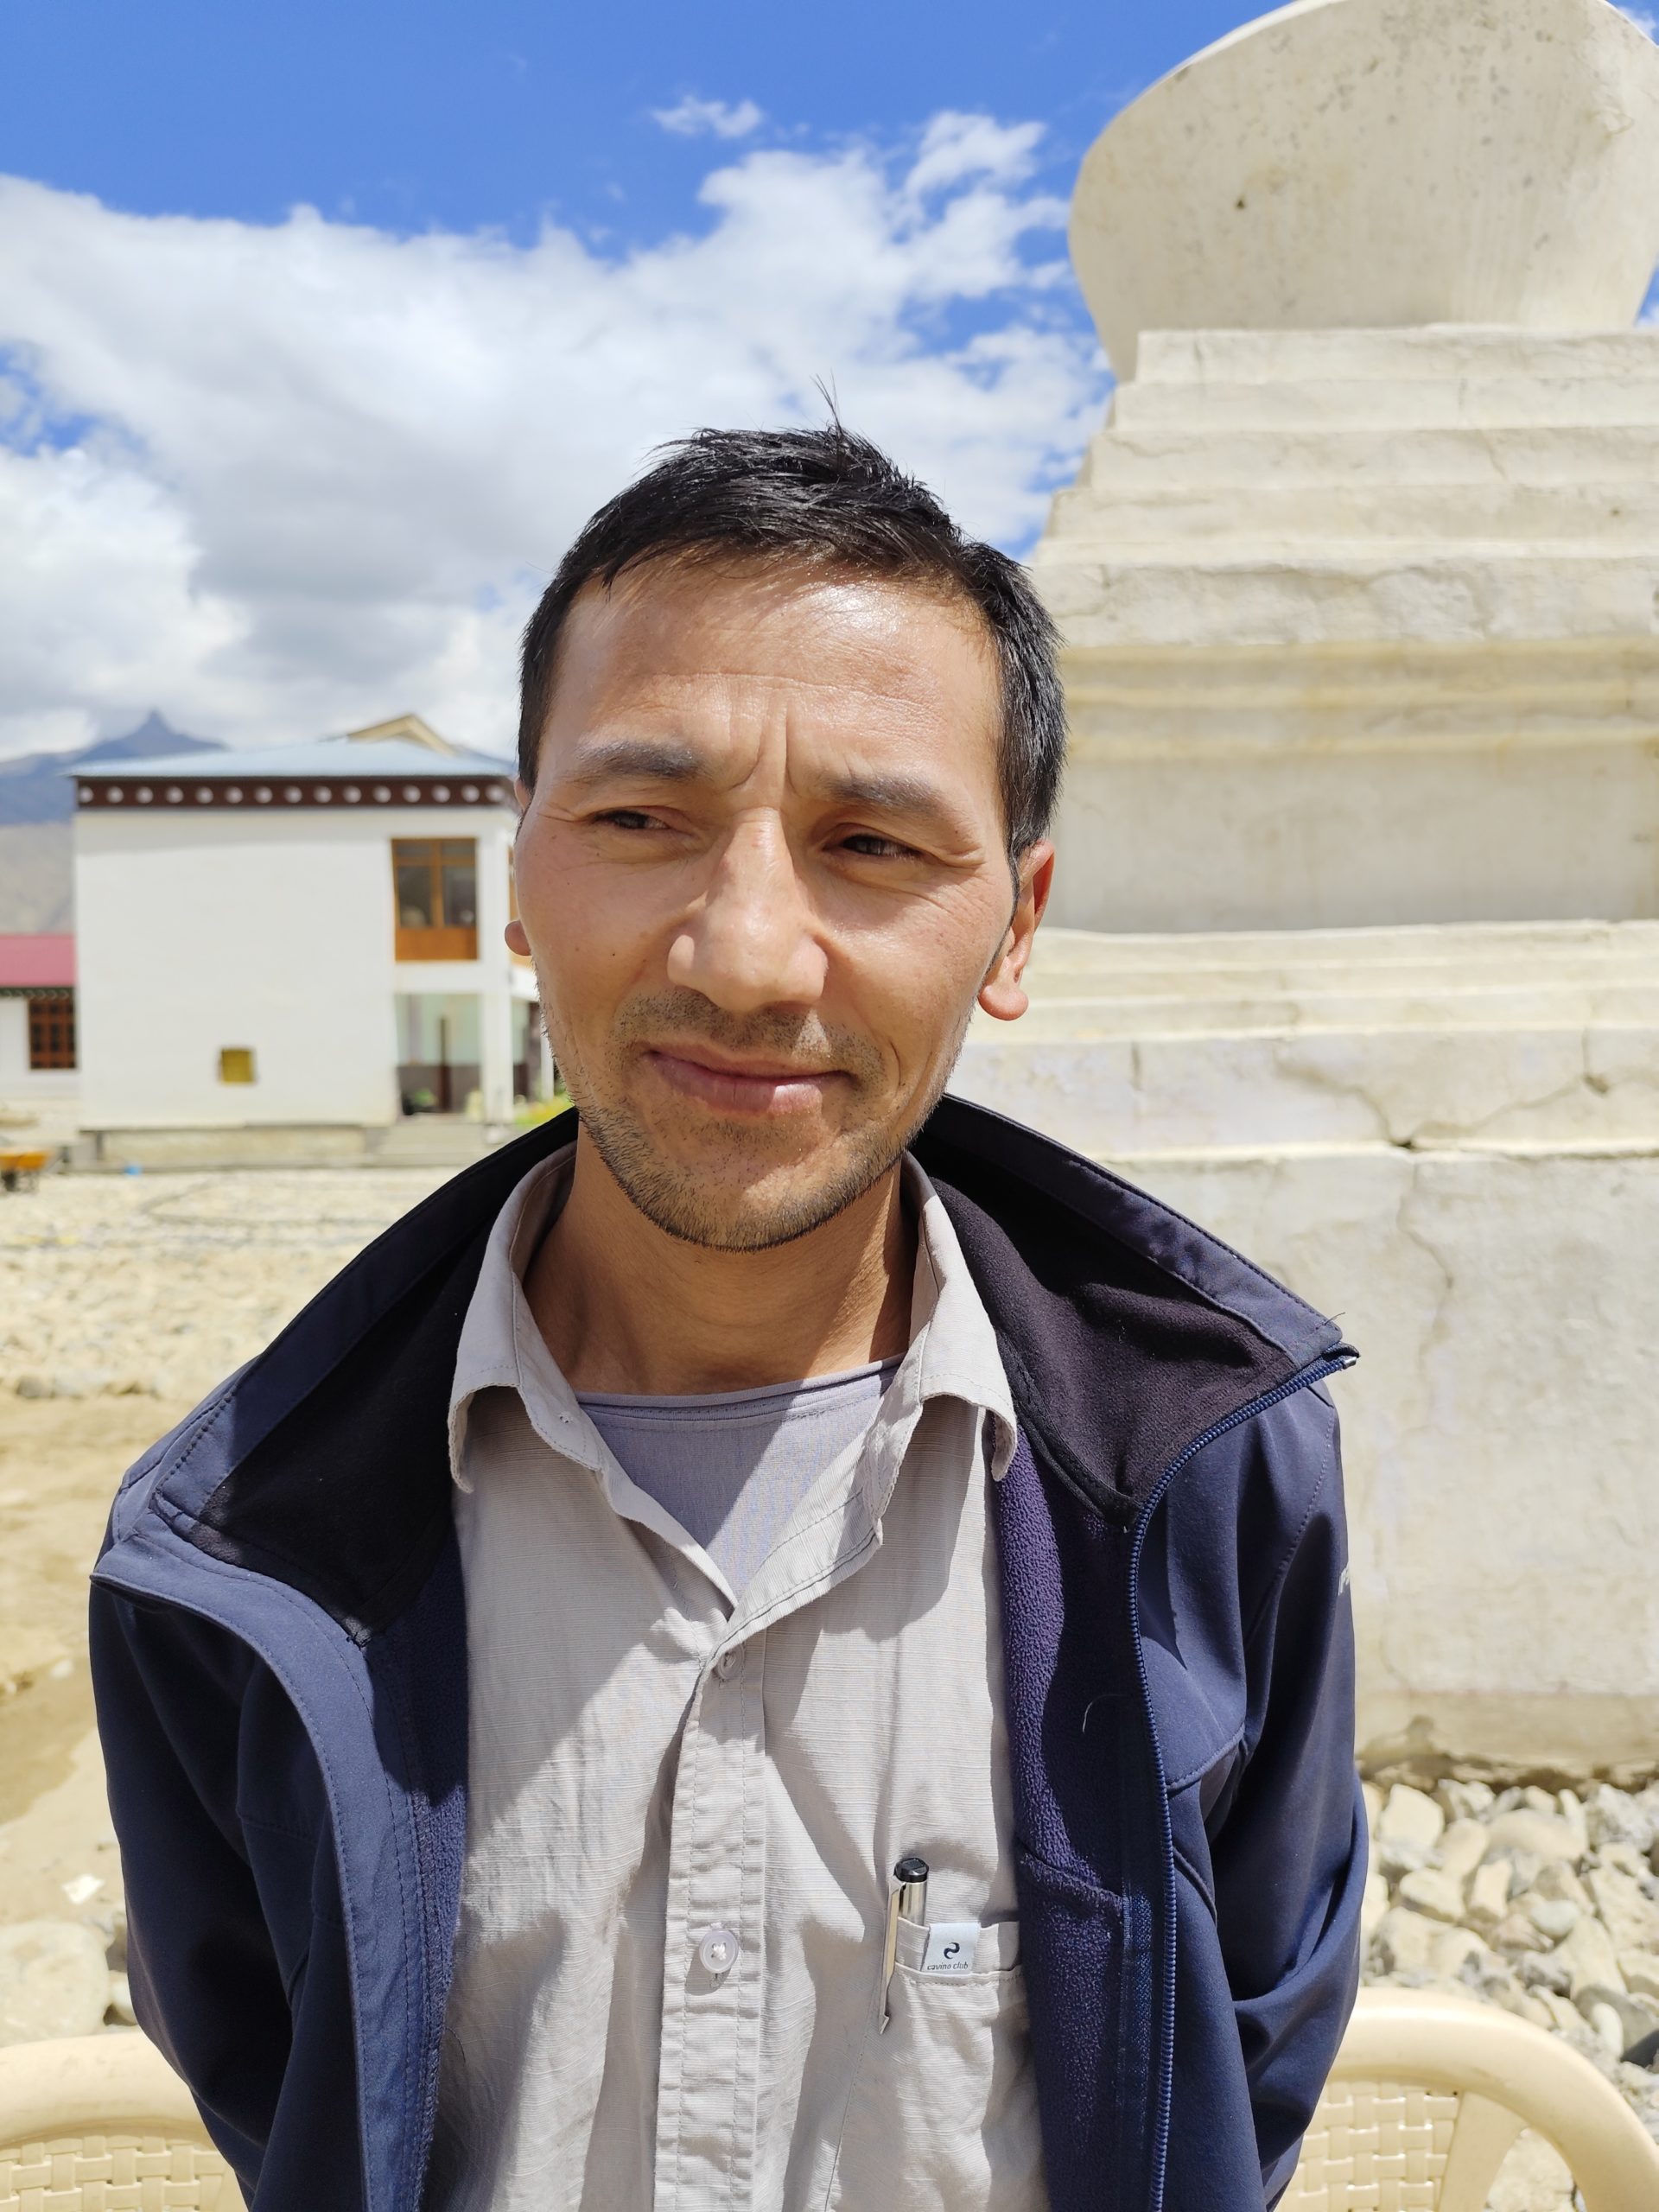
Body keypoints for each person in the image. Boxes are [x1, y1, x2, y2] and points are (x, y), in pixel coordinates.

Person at [91, 423, 1364, 2212]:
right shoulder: (237, 1555)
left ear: (1016, 924)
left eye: (872, 842)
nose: (749, 955)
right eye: (640, 821)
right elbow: (275, 2076)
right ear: (518, 874)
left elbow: (1235, 2065)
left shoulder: (1212, 1487)